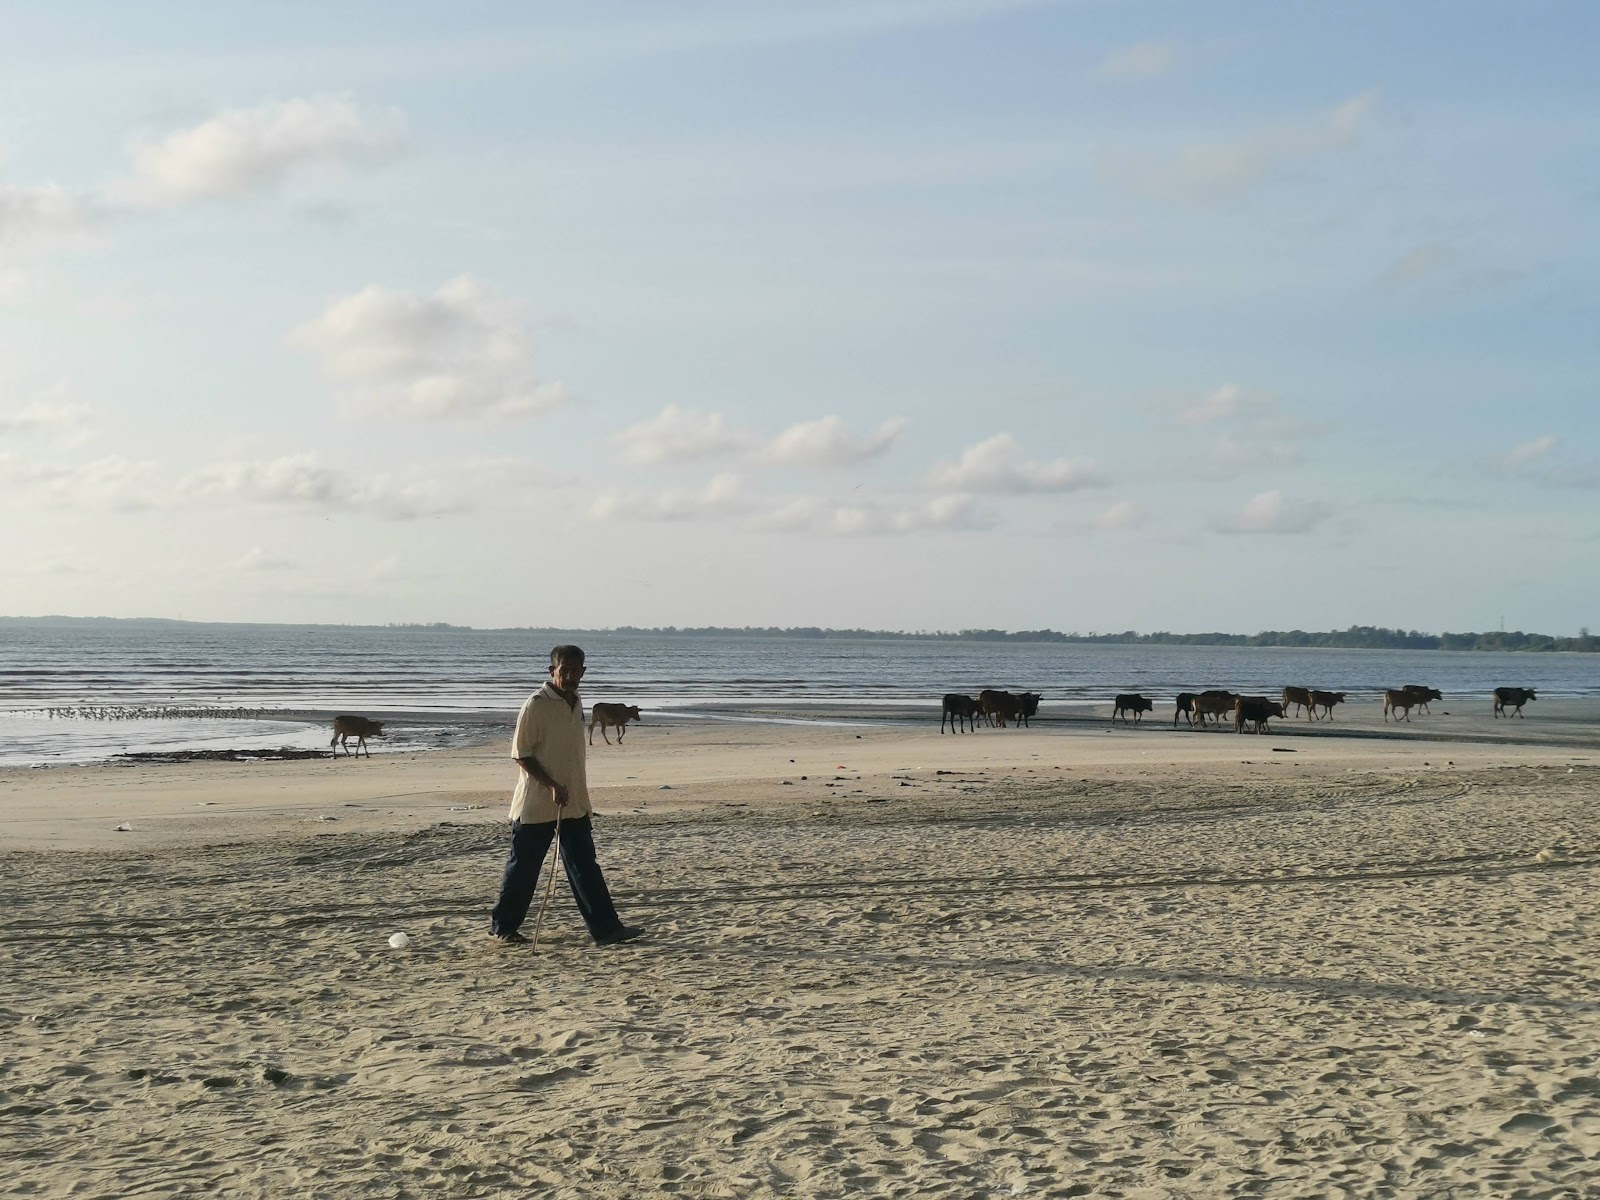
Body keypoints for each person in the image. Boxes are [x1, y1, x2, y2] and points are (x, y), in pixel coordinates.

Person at [489, 644, 645, 946]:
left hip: (573, 802)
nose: (571, 676)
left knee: (585, 867)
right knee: (523, 868)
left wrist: (568, 790)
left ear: (583, 672)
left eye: (576, 671)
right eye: (565, 671)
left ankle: (607, 930)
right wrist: (551, 785)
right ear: (552, 671)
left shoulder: (577, 701)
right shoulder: (535, 704)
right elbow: (521, 755)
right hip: (536, 804)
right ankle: (503, 928)